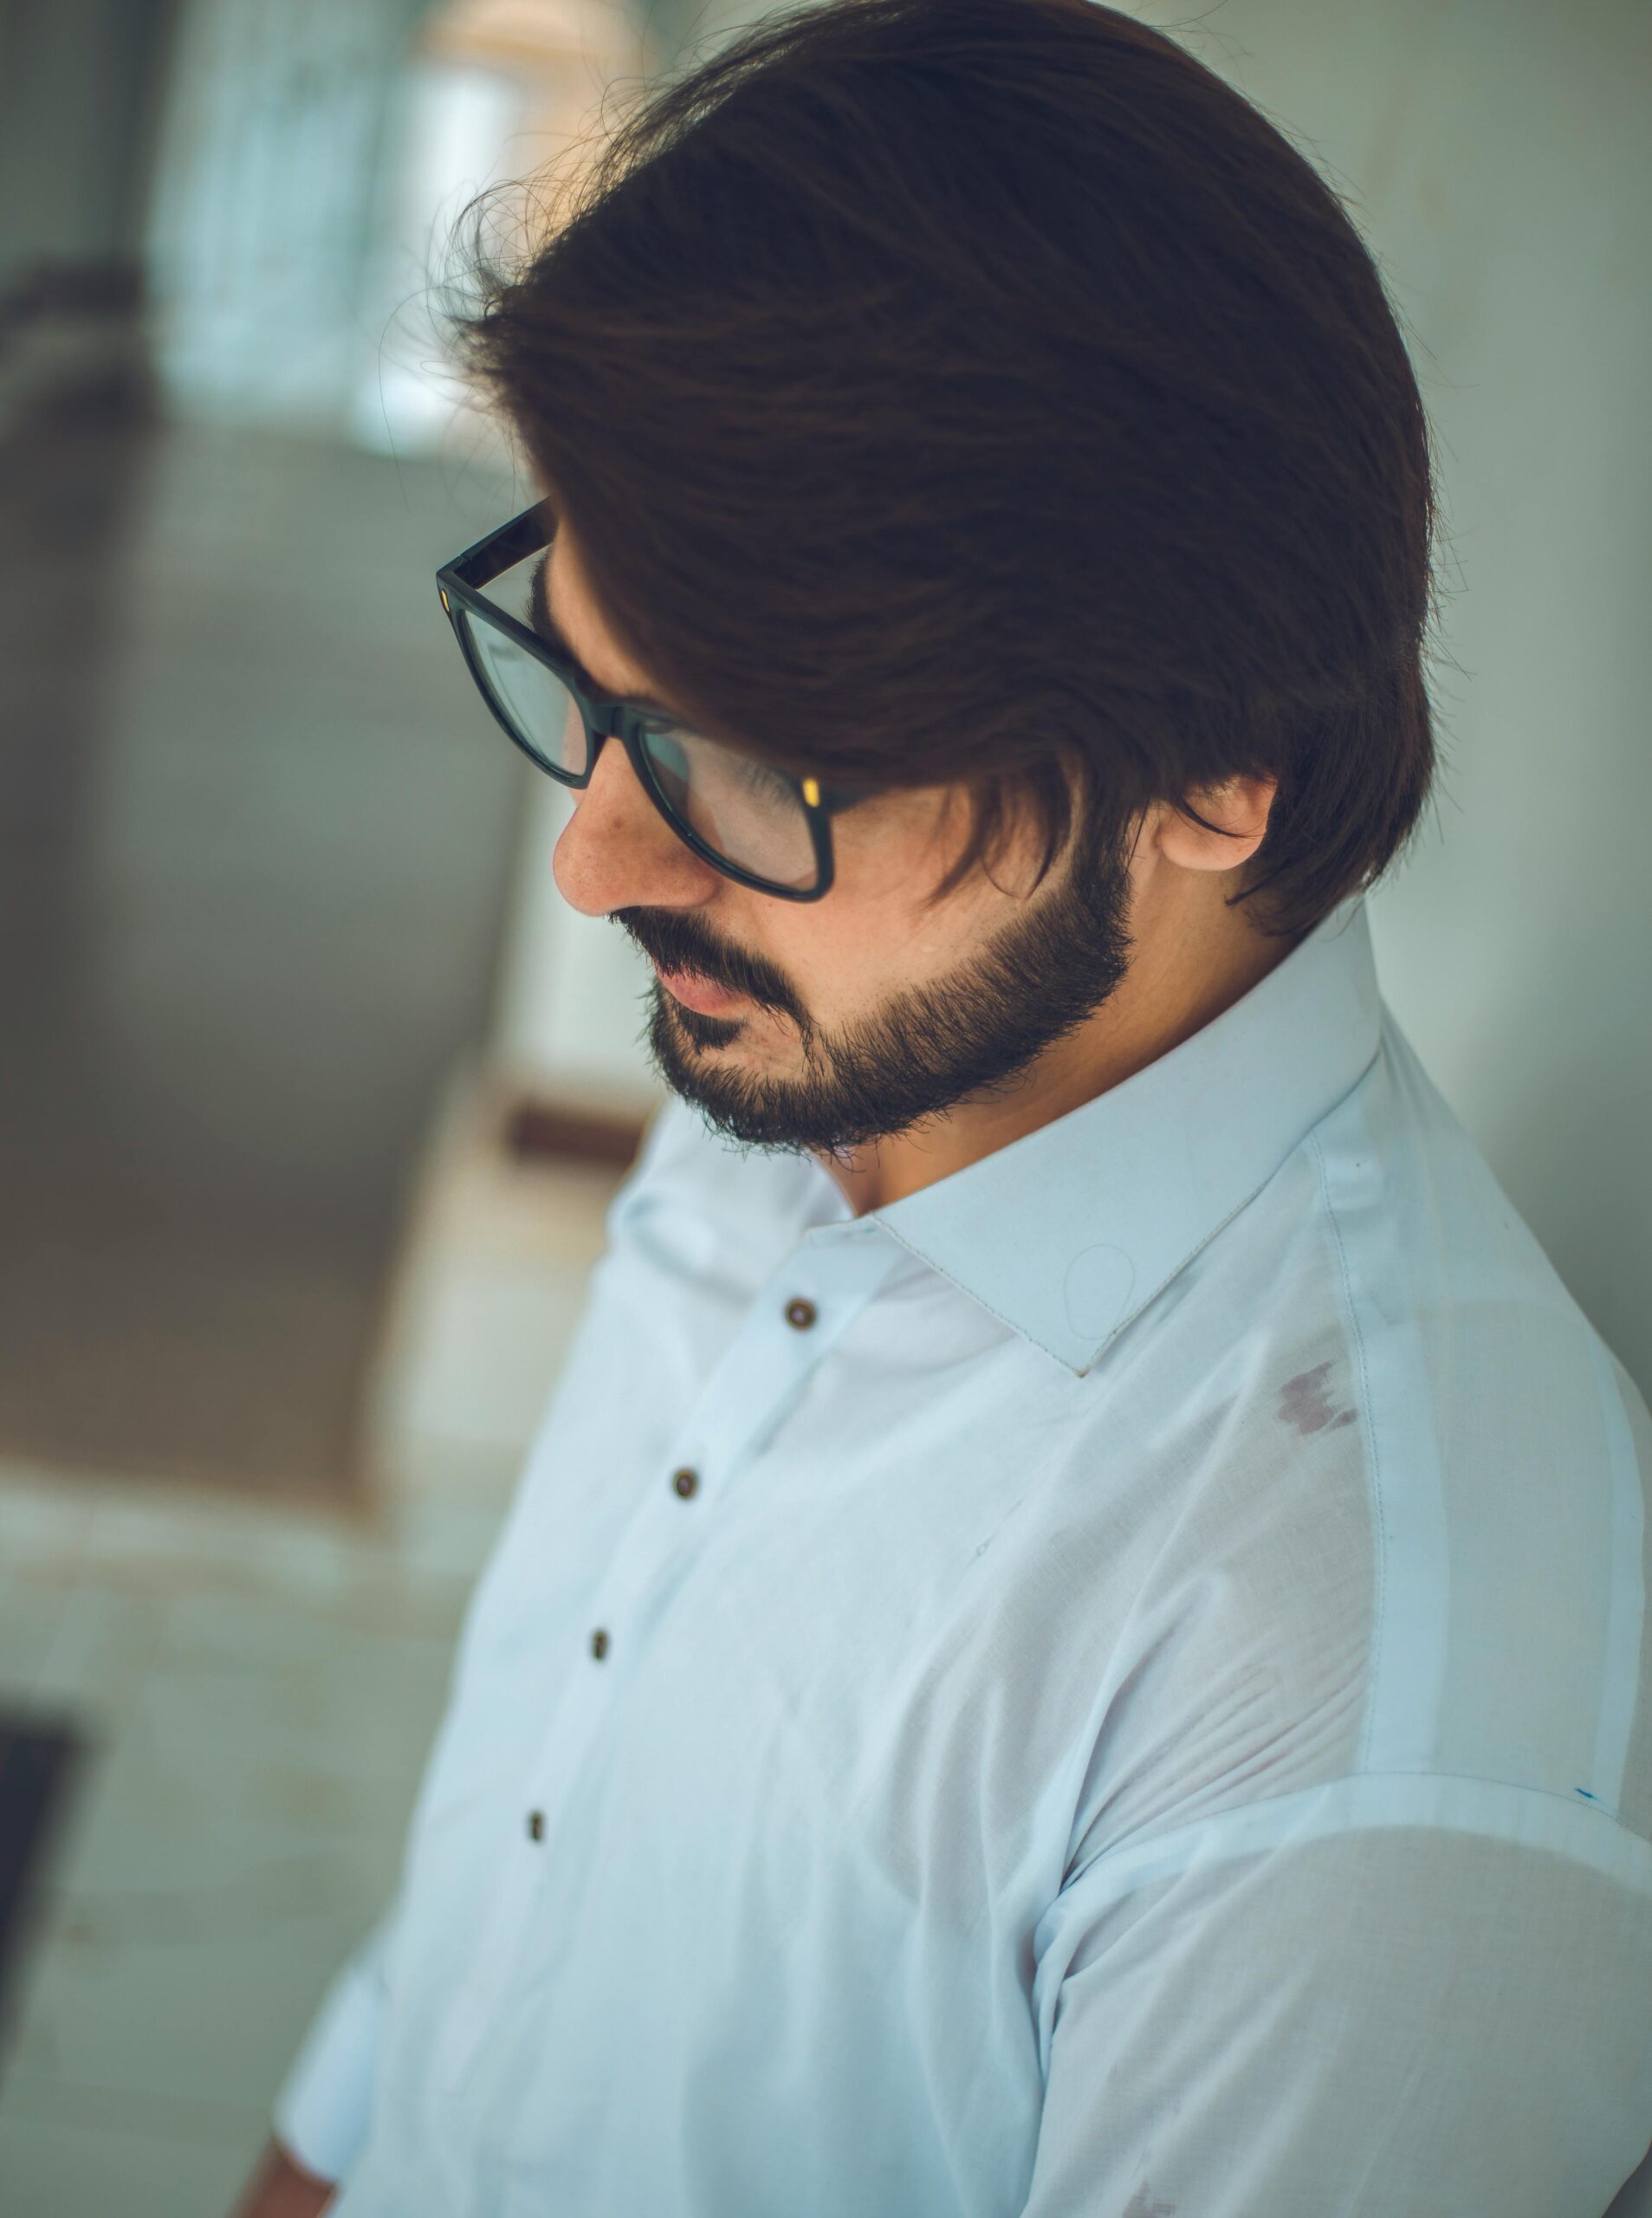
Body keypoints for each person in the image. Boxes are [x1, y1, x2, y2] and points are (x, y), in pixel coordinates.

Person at [228, 1, 1652, 2211]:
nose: (596, 859)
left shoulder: (1365, 1715)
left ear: (1205, 776)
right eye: (585, 683)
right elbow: (531, 1861)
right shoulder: (822, 1054)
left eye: (764, 764)